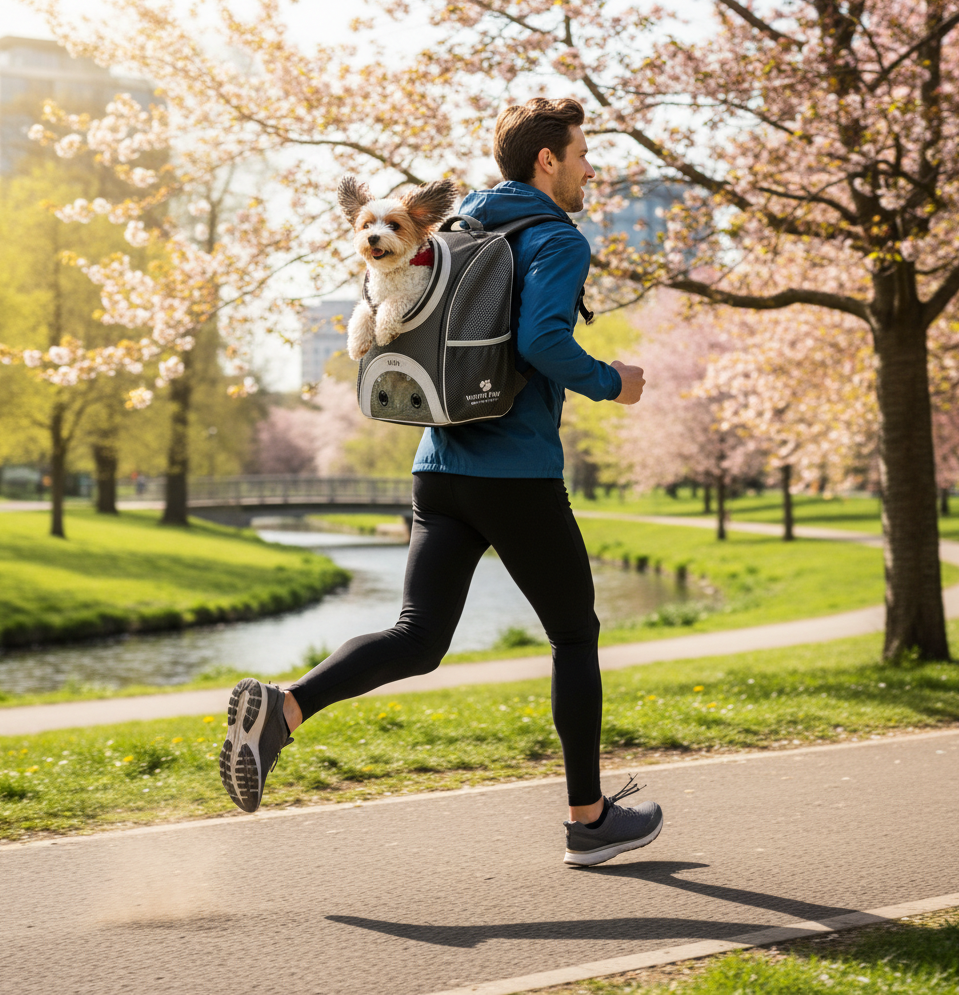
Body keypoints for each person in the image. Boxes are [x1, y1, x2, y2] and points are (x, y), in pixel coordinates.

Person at [220, 97, 664, 866]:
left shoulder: (453, 230)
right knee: (575, 635)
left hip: (437, 466)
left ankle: (285, 710)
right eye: (584, 153)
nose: (593, 168)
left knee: (417, 637)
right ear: (547, 161)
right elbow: (542, 339)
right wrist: (611, 381)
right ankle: (588, 821)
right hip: (516, 472)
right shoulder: (556, 238)